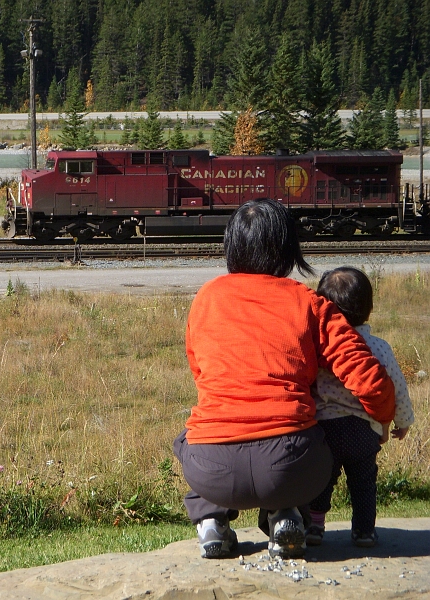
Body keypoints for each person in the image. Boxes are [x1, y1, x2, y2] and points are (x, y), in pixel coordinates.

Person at [173, 199, 396, 560]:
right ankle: (287, 514)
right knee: (320, 433)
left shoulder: (206, 298)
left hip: (212, 470)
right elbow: (367, 375)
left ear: (231, 245)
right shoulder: (309, 303)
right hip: (290, 465)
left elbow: (201, 373)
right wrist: (383, 417)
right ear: (288, 249)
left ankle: (211, 521)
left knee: (187, 438)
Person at [306, 267, 414, 548]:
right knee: (364, 482)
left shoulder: (320, 346)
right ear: (369, 308)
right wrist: (402, 421)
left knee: (321, 480)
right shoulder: (379, 347)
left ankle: (314, 527)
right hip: (364, 431)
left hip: (324, 430)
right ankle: (364, 531)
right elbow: (395, 388)